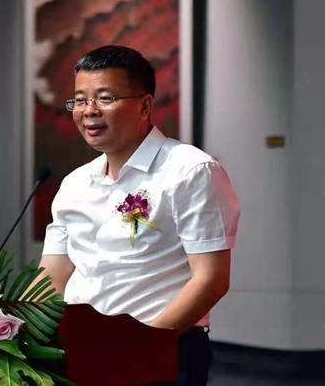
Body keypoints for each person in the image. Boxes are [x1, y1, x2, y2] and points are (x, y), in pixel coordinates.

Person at [39, 45, 240, 385]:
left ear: (145, 105)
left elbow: (211, 279)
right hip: (77, 353)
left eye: (105, 98)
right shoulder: (74, 183)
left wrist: (143, 346)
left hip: (160, 352)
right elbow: (52, 276)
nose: (89, 111)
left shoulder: (190, 171)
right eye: (80, 100)